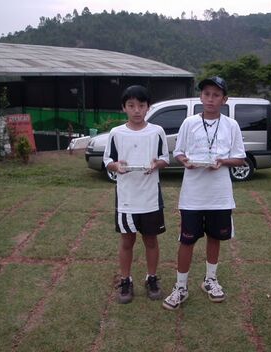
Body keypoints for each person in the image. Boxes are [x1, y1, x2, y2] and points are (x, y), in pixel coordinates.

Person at [162, 76, 246, 310]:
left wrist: (222, 161)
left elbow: (240, 157)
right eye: (206, 94)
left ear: (224, 99)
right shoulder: (189, 123)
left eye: (216, 95)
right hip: (192, 194)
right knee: (186, 240)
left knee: (215, 237)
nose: (210, 99)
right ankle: (181, 287)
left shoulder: (232, 125)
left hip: (219, 194)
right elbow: (178, 151)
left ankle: (210, 280)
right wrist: (184, 161)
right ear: (201, 97)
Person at [103, 85, 169, 304]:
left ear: (148, 107)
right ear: (124, 108)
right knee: (127, 241)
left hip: (150, 198)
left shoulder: (157, 131)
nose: (137, 110)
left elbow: (165, 159)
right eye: (131, 106)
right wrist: (117, 166)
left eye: (141, 105)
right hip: (127, 199)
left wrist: (156, 163)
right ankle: (125, 280)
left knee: (151, 240)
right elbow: (107, 161)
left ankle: (151, 278)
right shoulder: (116, 133)